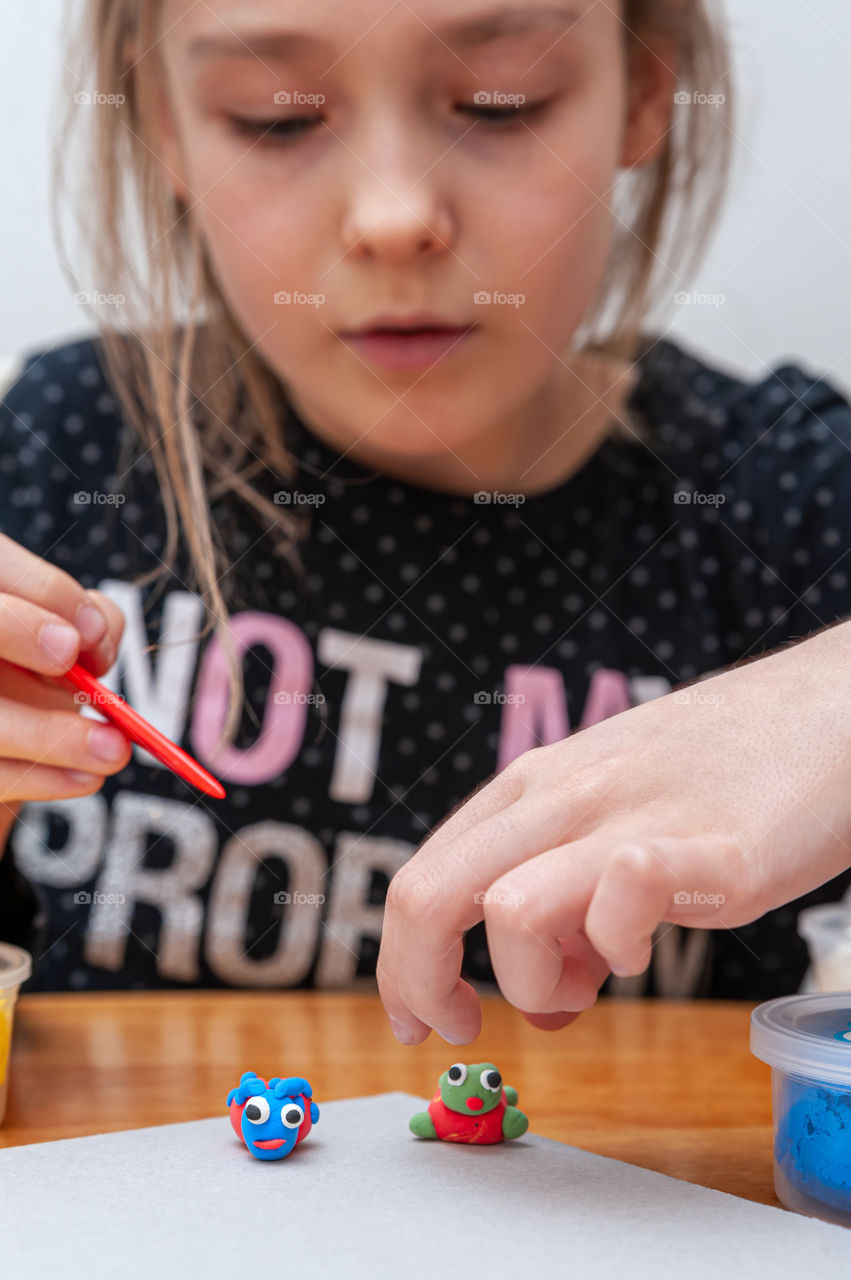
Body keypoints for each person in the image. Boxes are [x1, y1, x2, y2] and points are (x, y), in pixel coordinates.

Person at [0, 1, 849, 1027]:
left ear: (646, 91)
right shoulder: (67, 453)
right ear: (166, 127)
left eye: (500, 103)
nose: (395, 216)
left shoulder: (784, 494)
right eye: (275, 118)